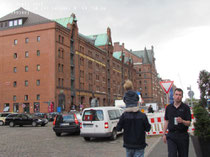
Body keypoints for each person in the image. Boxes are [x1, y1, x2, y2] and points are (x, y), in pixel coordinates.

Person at [116, 80, 151, 157]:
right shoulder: (142, 116)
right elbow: (148, 128)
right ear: (137, 101)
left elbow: (118, 129)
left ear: (125, 102)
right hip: (140, 144)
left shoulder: (124, 116)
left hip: (128, 144)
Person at [162, 88, 191, 157]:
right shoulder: (168, 108)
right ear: (173, 96)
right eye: (176, 94)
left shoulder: (186, 108)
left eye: (180, 95)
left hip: (182, 136)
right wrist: (163, 134)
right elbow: (166, 120)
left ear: (182, 96)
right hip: (171, 135)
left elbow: (189, 123)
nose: (178, 96)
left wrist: (182, 121)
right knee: (172, 155)